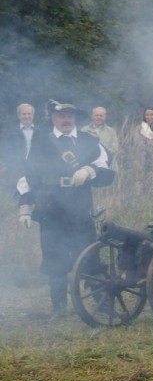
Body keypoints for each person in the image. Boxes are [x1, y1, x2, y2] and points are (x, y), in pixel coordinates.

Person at [16, 99, 115, 314]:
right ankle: (59, 309)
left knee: (89, 255)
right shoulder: (41, 142)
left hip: (80, 206)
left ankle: (104, 306)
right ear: (53, 118)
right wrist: (25, 206)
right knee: (54, 256)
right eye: (61, 116)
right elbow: (28, 175)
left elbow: (106, 170)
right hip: (50, 207)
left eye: (70, 116)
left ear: (76, 118)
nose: (66, 119)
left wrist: (89, 171)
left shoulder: (90, 141)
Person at [0, 103, 37, 194]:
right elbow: (5, 151)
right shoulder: (11, 133)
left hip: (36, 168)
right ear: (19, 116)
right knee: (16, 196)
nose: (27, 116)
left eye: (29, 114)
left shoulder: (41, 132)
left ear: (33, 115)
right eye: (24, 114)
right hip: (16, 170)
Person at [126, 107, 153, 185]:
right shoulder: (138, 128)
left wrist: (148, 142)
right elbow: (138, 143)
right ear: (144, 116)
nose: (149, 116)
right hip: (142, 159)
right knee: (142, 180)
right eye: (147, 114)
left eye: (152, 114)